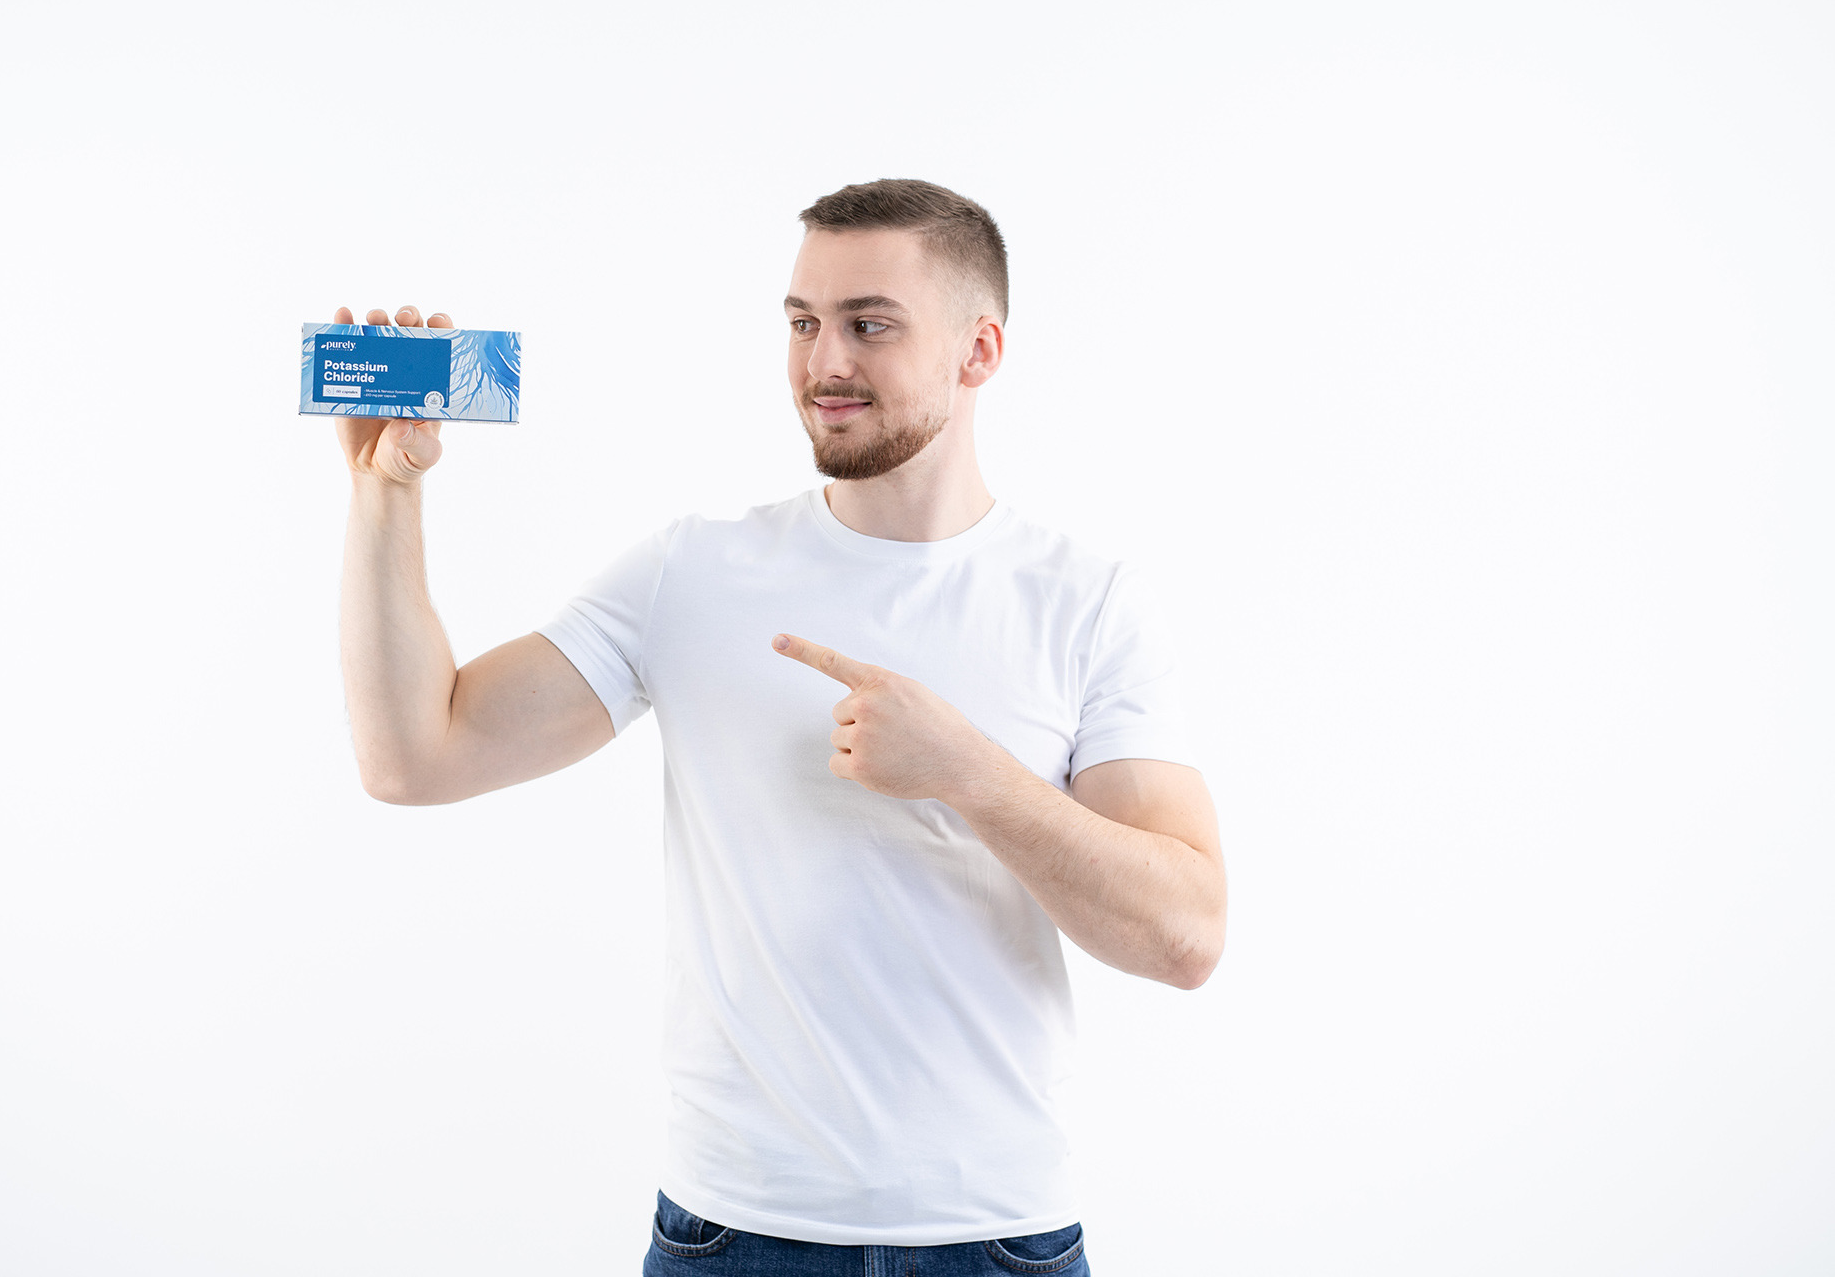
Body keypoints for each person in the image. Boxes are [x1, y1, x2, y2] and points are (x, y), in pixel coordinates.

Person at [332, 179, 1227, 1275]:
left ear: (979, 350)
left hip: (998, 1240)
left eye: (870, 324)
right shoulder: (693, 573)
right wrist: (384, 492)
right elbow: (415, 755)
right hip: (733, 1235)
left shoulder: (1085, 602)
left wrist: (969, 771)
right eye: (803, 323)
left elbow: (1187, 935)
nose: (823, 363)